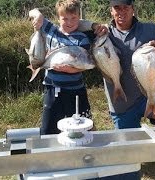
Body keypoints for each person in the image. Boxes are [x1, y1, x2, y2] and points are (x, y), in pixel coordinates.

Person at [80, 0, 155, 179]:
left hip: (151, 96)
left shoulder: (149, 30)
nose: (121, 12)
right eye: (117, 8)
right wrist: (94, 25)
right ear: (111, 11)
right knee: (128, 166)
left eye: (126, 7)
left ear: (133, 9)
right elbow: (73, 23)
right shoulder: (103, 33)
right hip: (122, 106)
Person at [28, 0, 107, 135]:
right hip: (52, 88)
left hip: (76, 90)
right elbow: (32, 11)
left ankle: (87, 149)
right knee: (48, 129)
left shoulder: (82, 38)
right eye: (65, 18)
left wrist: (71, 70)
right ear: (58, 18)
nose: (69, 22)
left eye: (74, 18)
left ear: (79, 17)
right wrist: (38, 16)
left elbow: (87, 64)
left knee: (83, 127)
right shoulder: (51, 30)